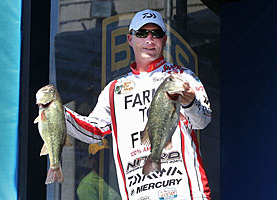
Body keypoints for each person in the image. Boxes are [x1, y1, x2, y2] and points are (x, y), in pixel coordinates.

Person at [65, 9, 212, 200]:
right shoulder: (114, 90)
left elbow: (203, 120)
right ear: (130, 39)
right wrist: (60, 114)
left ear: (164, 40)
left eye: (156, 33)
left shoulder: (182, 77)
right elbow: (93, 131)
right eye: (142, 33)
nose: (149, 39)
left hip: (186, 192)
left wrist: (191, 101)